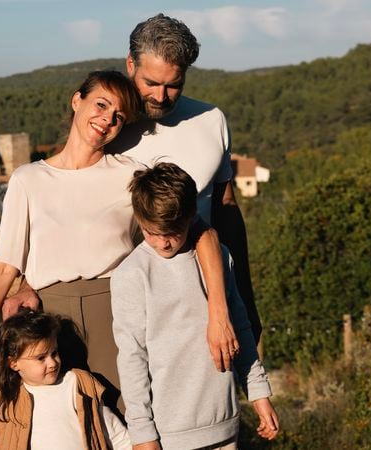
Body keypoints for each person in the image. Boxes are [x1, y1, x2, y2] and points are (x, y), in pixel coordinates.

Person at [0, 71, 237, 415]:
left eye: (119, 117)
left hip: (119, 316)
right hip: (48, 327)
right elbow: (3, 268)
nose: (107, 119)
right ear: (76, 100)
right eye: (101, 104)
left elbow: (200, 232)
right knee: (55, 428)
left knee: (131, 422)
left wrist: (219, 312)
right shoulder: (28, 179)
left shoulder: (130, 175)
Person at [108, 13, 263, 343]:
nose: (161, 97)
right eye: (151, 83)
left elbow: (225, 208)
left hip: (204, 298)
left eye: (173, 85)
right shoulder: (107, 127)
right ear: (130, 65)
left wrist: (246, 298)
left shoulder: (212, 121)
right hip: (122, 298)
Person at [111, 162, 278, 450]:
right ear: (139, 219)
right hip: (168, 435)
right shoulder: (131, 275)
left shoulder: (218, 258)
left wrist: (259, 393)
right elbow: (132, 357)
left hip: (225, 424)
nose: (163, 243)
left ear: (191, 217)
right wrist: (142, 433)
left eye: (173, 232)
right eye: (152, 232)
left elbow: (239, 326)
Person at [0, 309, 131, 450]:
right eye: (40, 358)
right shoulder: (11, 396)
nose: (52, 363)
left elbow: (113, 432)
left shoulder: (75, 384)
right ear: (14, 363)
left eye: (54, 353)